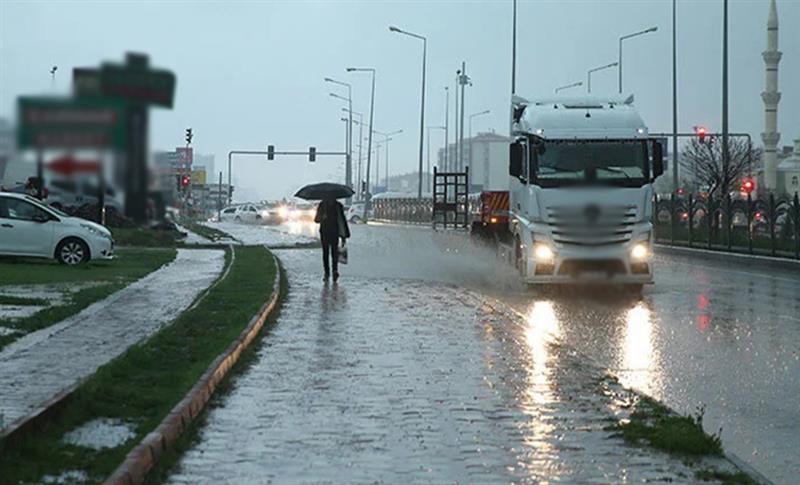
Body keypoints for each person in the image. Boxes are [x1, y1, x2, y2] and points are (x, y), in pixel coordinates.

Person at [314, 197, 350, 281]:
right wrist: (322, 216)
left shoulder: (338, 206)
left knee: (334, 252)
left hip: (334, 232)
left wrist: (344, 235)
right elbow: (316, 220)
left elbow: (341, 220)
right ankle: (327, 272)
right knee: (326, 253)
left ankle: (334, 271)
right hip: (325, 232)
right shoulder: (323, 205)